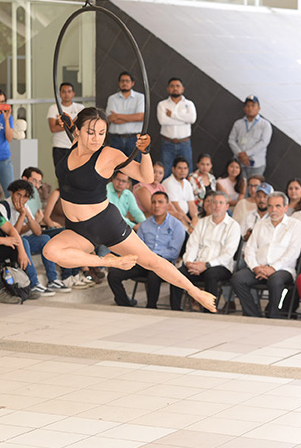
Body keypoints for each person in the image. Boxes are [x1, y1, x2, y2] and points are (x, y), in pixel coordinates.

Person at [42, 107, 218, 312]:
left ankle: (194, 291)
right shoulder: (74, 144)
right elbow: (76, 135)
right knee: (50, 251)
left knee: (150, 261)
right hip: (76, 229)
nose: (96, 139)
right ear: (78, 132)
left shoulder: (108, 155)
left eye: (101, 133)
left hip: (104, 223)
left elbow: (146, 178)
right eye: (90, 132)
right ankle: (106, 261)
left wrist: (145, 153)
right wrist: (70, 125)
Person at [231, 191, 301, 318]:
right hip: (259, 267)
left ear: (286, 208)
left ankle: (273, 316)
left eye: (278, 206)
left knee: (275, 281)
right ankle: (253, 314)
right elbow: (249, 250)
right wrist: (256, 267)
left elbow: (293, 252)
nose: (273, 209)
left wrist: (273, 268)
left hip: (283, 269)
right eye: (270, 206)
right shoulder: (260, 224)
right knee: (237, 279)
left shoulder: (295, 225)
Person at [107, 192, 185, 308]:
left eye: (160, 202)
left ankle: (151, 307)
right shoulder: (144, 225)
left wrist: (153, 257)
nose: (156, 205)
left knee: (154, 274)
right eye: (153, 202)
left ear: (167, 205)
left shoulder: (176, 225)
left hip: (163, 263)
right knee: (114, 273)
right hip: (143, 262)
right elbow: (137, 247)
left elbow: (173, 253)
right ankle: (125, 303)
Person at [0, 179, 74, 296]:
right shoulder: (2, 206)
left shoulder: (25, 206)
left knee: (44, 239)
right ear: (12, 193)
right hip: (8, 244)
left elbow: (38, 232)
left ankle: (53, 279)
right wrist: (22, 215)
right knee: (24, 241)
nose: (21, 199)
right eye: (18, 194)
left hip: (23, 240)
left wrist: (28, 215)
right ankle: (34, 283)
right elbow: (13, 234)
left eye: (25, 197)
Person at [169, 192, 240, 311]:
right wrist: (189, 263)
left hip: (220, 266)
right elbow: (192, 246)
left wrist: (206, 265)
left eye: (221, 203)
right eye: (214, 202)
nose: (217, 206)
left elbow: (228, 254)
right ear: (210, 205)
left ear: (227, 206)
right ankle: (175, 310)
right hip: (196, 265)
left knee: (210, 275)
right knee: (178, 274)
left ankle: (209, 311)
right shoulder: (202, 223)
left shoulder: (233, 226)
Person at [157, 78, 197, 172]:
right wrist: (184, 120)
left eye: (177, 86)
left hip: (184, 144)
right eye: (172, 86)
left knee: (186, 172)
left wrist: (172, 115)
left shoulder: (189, 104)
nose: (175, 88)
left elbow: (192, 119)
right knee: (165, 172)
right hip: (167, 144)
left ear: (182, 88)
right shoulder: (162, 104)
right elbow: (163, 121)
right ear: (168, 89)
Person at [228, 95, 272, 178]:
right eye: (248, 106)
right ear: (244, 109)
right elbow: (231, 140)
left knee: (254, 188)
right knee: (240, 189)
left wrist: (247, 154)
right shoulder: (238, 123)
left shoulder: (265, 125)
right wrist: (240, 154)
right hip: (238, 163)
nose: (250, 108)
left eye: (253, 105)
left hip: (256, 164)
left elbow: (264, 142)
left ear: (259, 108)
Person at [106, 71, 145, 157]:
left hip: (134, 139)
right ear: (119, 83)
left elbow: (140, 117)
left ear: (132, 83)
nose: (124, 83)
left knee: (135, 167)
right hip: (116, 139)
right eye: (122, 81)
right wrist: (132, 117)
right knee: (115, 168)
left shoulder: (140, 97)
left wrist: (118, 115)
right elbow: (112, 119)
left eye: (127, 81)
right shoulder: (112, 98)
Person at [47, 82, 85, 168]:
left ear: (73, 94)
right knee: (61, 174)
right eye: (64, 92)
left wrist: (61, 123)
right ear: (59, 93)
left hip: (76, 145)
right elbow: (53, 128)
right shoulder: (54, 108)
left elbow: (81, 126)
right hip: (59, 146)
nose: (66, 94)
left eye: (69, 91)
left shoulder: (80, 108)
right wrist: (72, 122)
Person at [163, 156, 199, 231]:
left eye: (185, 168)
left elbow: (192, 204)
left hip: (185, 217)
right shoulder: (169, 182)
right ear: (173, 169)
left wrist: (196, 220)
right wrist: (189, 223)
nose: (183, 171)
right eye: (179, 168)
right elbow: (176, 207)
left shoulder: (187, 183)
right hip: (174, 218)